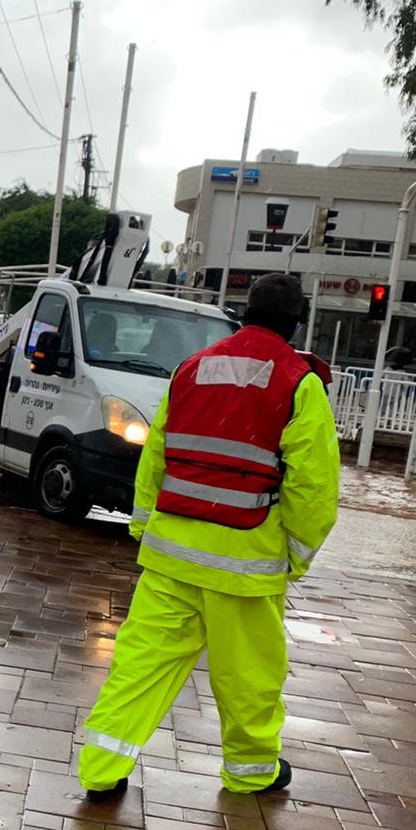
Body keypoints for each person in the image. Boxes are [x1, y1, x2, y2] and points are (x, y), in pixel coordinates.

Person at [77, 273, 341, 800]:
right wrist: (296, 556)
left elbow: (157, 456)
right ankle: (252, 772)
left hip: (172, 556)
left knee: (139, 666)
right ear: (298, 320)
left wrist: (146, 527)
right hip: (245, 563)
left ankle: (101, 771)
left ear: (244, 312)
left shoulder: (192, 370)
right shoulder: (298, 381)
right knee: (248, 679)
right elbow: (313, 485)